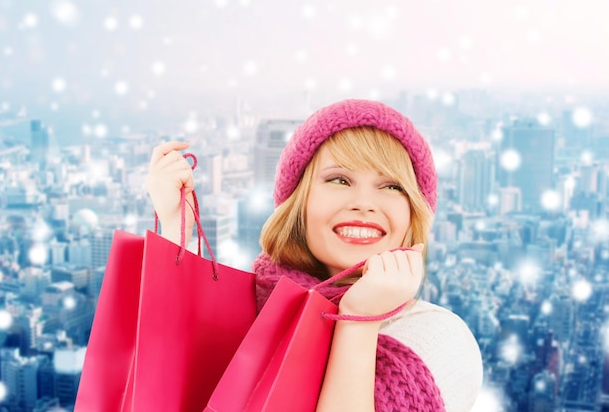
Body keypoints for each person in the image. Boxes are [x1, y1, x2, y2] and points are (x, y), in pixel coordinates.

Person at [146, 99, 483, 411]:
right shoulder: (247, 310)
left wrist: (358, 319)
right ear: (299, 203)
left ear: (413, 212)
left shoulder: (438, 337)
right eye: (339, 180)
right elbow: (164, 384)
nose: (364, 203)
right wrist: (175, 230)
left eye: (392, 186)